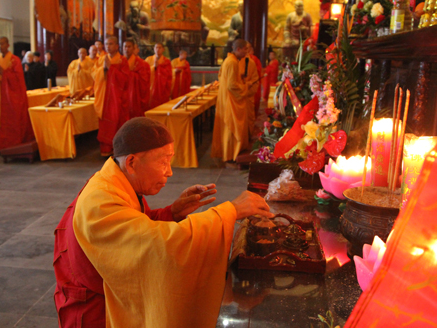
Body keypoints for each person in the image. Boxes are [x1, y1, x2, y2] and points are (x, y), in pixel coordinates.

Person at [53, 117, 273, 328]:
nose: (169, 171)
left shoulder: (117, 179)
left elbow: (135, 228)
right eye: (163, 161)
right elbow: (154, 244)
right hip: (92, 312)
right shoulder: (100, 200)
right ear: (131, 162)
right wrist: (230, 211)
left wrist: (172, 213)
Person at [0, 36, 34, 151]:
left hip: (12, 97)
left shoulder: (14, 60)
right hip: (0, 97)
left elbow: (18, 79)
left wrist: (5, 74)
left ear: (8, 45)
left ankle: (14, 146)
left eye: (2, 44)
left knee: (13, 122)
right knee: (1, 123)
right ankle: (2, 146)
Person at [211, 39, 253, 163]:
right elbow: (232, 85)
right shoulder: (232, 62)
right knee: (231, 127)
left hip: (226, 98)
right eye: (245, 49)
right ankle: (230, 155)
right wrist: (246, 86)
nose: (247, 52)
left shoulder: (229, 60)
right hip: (230, 99)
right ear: (238, 49)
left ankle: (229, 153)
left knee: (227, 126)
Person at [92, 36, 130, 157]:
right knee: (105, 123)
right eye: (106, 44)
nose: (108, 46)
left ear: (117, 46)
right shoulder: (101, 59)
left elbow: (125, 79)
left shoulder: (122, 61)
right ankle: (106, 149)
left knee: (117, 121)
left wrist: (111, 69)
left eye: (111, 44)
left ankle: (117, 149)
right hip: (104, 97)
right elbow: (94, 75)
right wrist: (103, 69)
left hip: (117, 98)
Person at [123, 39, 150, 118]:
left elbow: (144, 81)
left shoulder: (141, 63)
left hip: (135, 96)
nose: (127, 49)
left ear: (133, 48)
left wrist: (130, 75)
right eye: (125, 47)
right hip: (123, 95)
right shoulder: (119, 62)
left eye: (129, 47)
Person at [239, 43, 260, 136]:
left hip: (247, 94)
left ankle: (247, 136)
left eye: (247, 48)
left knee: (249, 117)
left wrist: (247, 88)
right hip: (237, 96)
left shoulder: (252, 61)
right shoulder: (234, 62)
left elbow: (256, 79)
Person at [145, 43, 172, 109]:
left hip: (162, 89)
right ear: (154, 49)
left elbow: (169, 76)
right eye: (156, 47)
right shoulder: (148, 59)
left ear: (163, 49)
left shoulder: (166, 61)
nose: (158, 49)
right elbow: (144, 72)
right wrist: (154, 67)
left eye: (160, 48)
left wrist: (160, 69)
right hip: (151, 88)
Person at [246, 42, 262, 118]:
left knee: (254, 101)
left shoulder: (254, 59)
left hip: (253, 83)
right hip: (245, 85)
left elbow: (258, 70)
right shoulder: (241, 59)